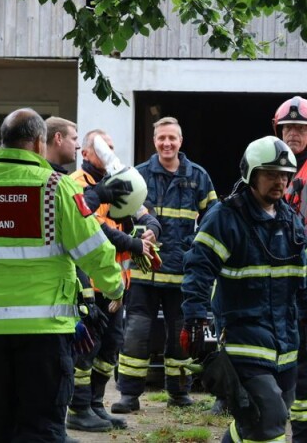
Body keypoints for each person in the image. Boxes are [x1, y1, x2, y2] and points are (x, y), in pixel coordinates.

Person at [0, 108, 124, 442]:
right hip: (44, 332)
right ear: (38, 144)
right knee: (41, 429)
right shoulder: (57, 190)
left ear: (4, 141)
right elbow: (95, 250)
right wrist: (115, 288)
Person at [181, 136, 306, 443]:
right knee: (267, 418)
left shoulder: (291, 221)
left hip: (285, 343)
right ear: (250, 174)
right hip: (242, 341)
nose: (280, 182)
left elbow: (301, 278)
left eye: (285, 175)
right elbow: (198, 269)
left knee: (259, 419)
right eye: (270, 174)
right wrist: (197, 320)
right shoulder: (225, 217)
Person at [113, 116, 218, 413]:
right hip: (143, 270)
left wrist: (196, 252)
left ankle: (179, 394)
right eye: (161, 138)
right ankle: (129, 396)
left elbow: (212, 220)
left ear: (180, 141)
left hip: (181, 271)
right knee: (135, 334)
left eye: (172, 138)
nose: (167, 143)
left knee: (180, 336)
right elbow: (120, 216)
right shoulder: (138, 176)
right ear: (154, 141)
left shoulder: (199, 177)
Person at [67, 130, 161, 432]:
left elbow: (146, 212)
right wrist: (134, 245)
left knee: (110, 349)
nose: (108, 153)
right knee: (87, 350)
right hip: (90, 286)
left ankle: (96, 405)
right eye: (101, 148)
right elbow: (95, 231)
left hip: (117, 286)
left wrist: (151, 230)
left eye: (111, 147)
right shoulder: (77, 185)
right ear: (86, 153)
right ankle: (78, 409)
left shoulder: (120, 184)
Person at [273, 96, 307, 441]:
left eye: (300, 128)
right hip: (278, 278)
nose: (294, 134)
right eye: (288, 128)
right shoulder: (268, 164)